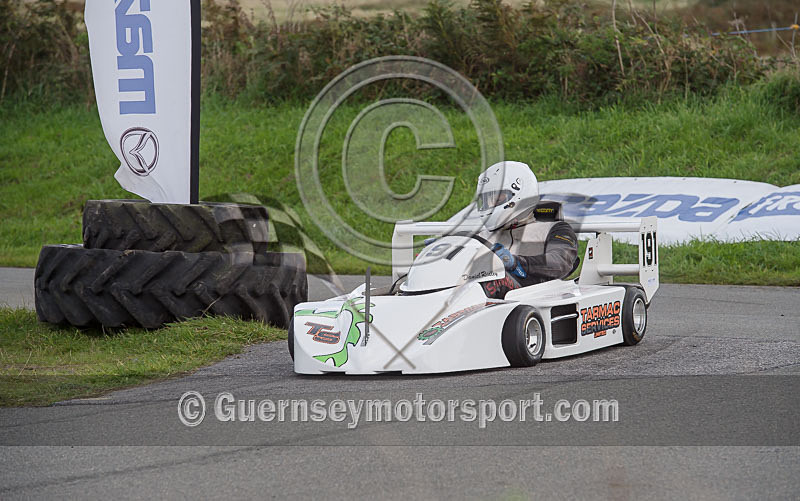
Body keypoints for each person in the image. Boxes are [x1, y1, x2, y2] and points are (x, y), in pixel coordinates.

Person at [471, 161, 579, 299]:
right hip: (479, 302)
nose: (490, 205)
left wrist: (516, 263)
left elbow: (559, 262)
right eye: (486, 200)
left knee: (492, 282)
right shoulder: (480, 238)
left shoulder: (554, 230)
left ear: (520, 193)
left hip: (534, 296)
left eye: (498, 198)